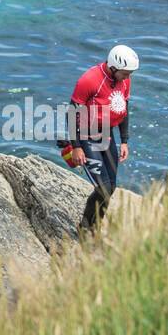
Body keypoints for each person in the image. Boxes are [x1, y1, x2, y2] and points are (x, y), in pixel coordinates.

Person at [62, 44, 138, 234]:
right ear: (113, 67)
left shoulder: (125, 81)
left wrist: (125, 140)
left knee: (111, 187)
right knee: (103, 188)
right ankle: (85, 228)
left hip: (106, 134)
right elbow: (71, 114)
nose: (128, 78)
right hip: (86, 136)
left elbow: (123, 109)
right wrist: (77, 147)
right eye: (125, 73)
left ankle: (94, 227)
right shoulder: (89, 80)